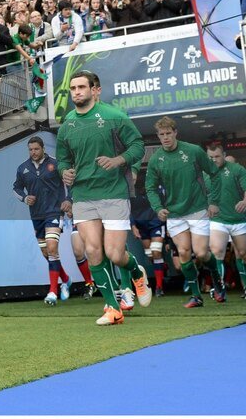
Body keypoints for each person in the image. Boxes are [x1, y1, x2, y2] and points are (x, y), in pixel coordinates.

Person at [56, 70, 152, 326]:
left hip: (113, 193)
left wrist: (118, 160)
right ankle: (112, 307)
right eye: (73, 88)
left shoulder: (114, 116)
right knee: (92, 250)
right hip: (83, 195)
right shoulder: (68, 123)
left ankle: (135, 271)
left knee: (115, 253)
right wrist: (65, 171)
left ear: (95, 90)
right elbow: (63, 157)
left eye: (81, 87)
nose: (76, 92)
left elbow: (138, 146)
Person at [144, 117, 224, 309]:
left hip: (197, 209)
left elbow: (215, 173)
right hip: (174, 214)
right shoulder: (156, 159)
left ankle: (217, 281)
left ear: (175, 133)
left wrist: (213, 201)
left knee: (202, 253)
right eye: (161, 135)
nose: (165, 138)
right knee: (184, 253)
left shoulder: (193, 151)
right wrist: (158, 207)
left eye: (168, 134)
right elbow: (150, 188)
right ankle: (196, 296)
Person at [13, 136, 73, 305]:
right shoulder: (23, 168)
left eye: (36, 149)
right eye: (30, 149)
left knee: (52, 247)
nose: (33, 152)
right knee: (47, 253)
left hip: (54, 211)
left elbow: (70, 184)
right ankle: (66, 279)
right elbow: (16, 188)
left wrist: (69, 200)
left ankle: (53, 292)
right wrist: (25, 198)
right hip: (36, 215)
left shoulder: (56, 163)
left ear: (43, 148)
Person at [205, 142, 246, 300]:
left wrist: (245, 202)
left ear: (223, 155)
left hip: (239, 219)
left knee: (245, 255)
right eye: (210, 157)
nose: (214, 160)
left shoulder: (236, 169)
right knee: (217, 251)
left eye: (217, 156)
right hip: (218, 220)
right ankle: (220, 289)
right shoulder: (203, 173)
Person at [129, 167, 167, 299]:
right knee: (151, 255)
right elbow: (127, 209)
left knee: (156, 252)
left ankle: (159, 287)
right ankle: (162, 266)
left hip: (155, 222)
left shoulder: (156, 189)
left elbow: (165, 204)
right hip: (141, 225)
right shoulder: (130, 191)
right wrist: (133, 226)